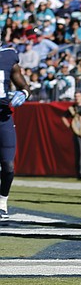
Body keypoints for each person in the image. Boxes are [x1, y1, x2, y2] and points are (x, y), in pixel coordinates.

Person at [0, 45, 30, 219]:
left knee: (9, 165)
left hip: (3, 117)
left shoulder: (8, 56)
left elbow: (24, 85)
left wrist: (24, 93)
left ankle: (2, 202)